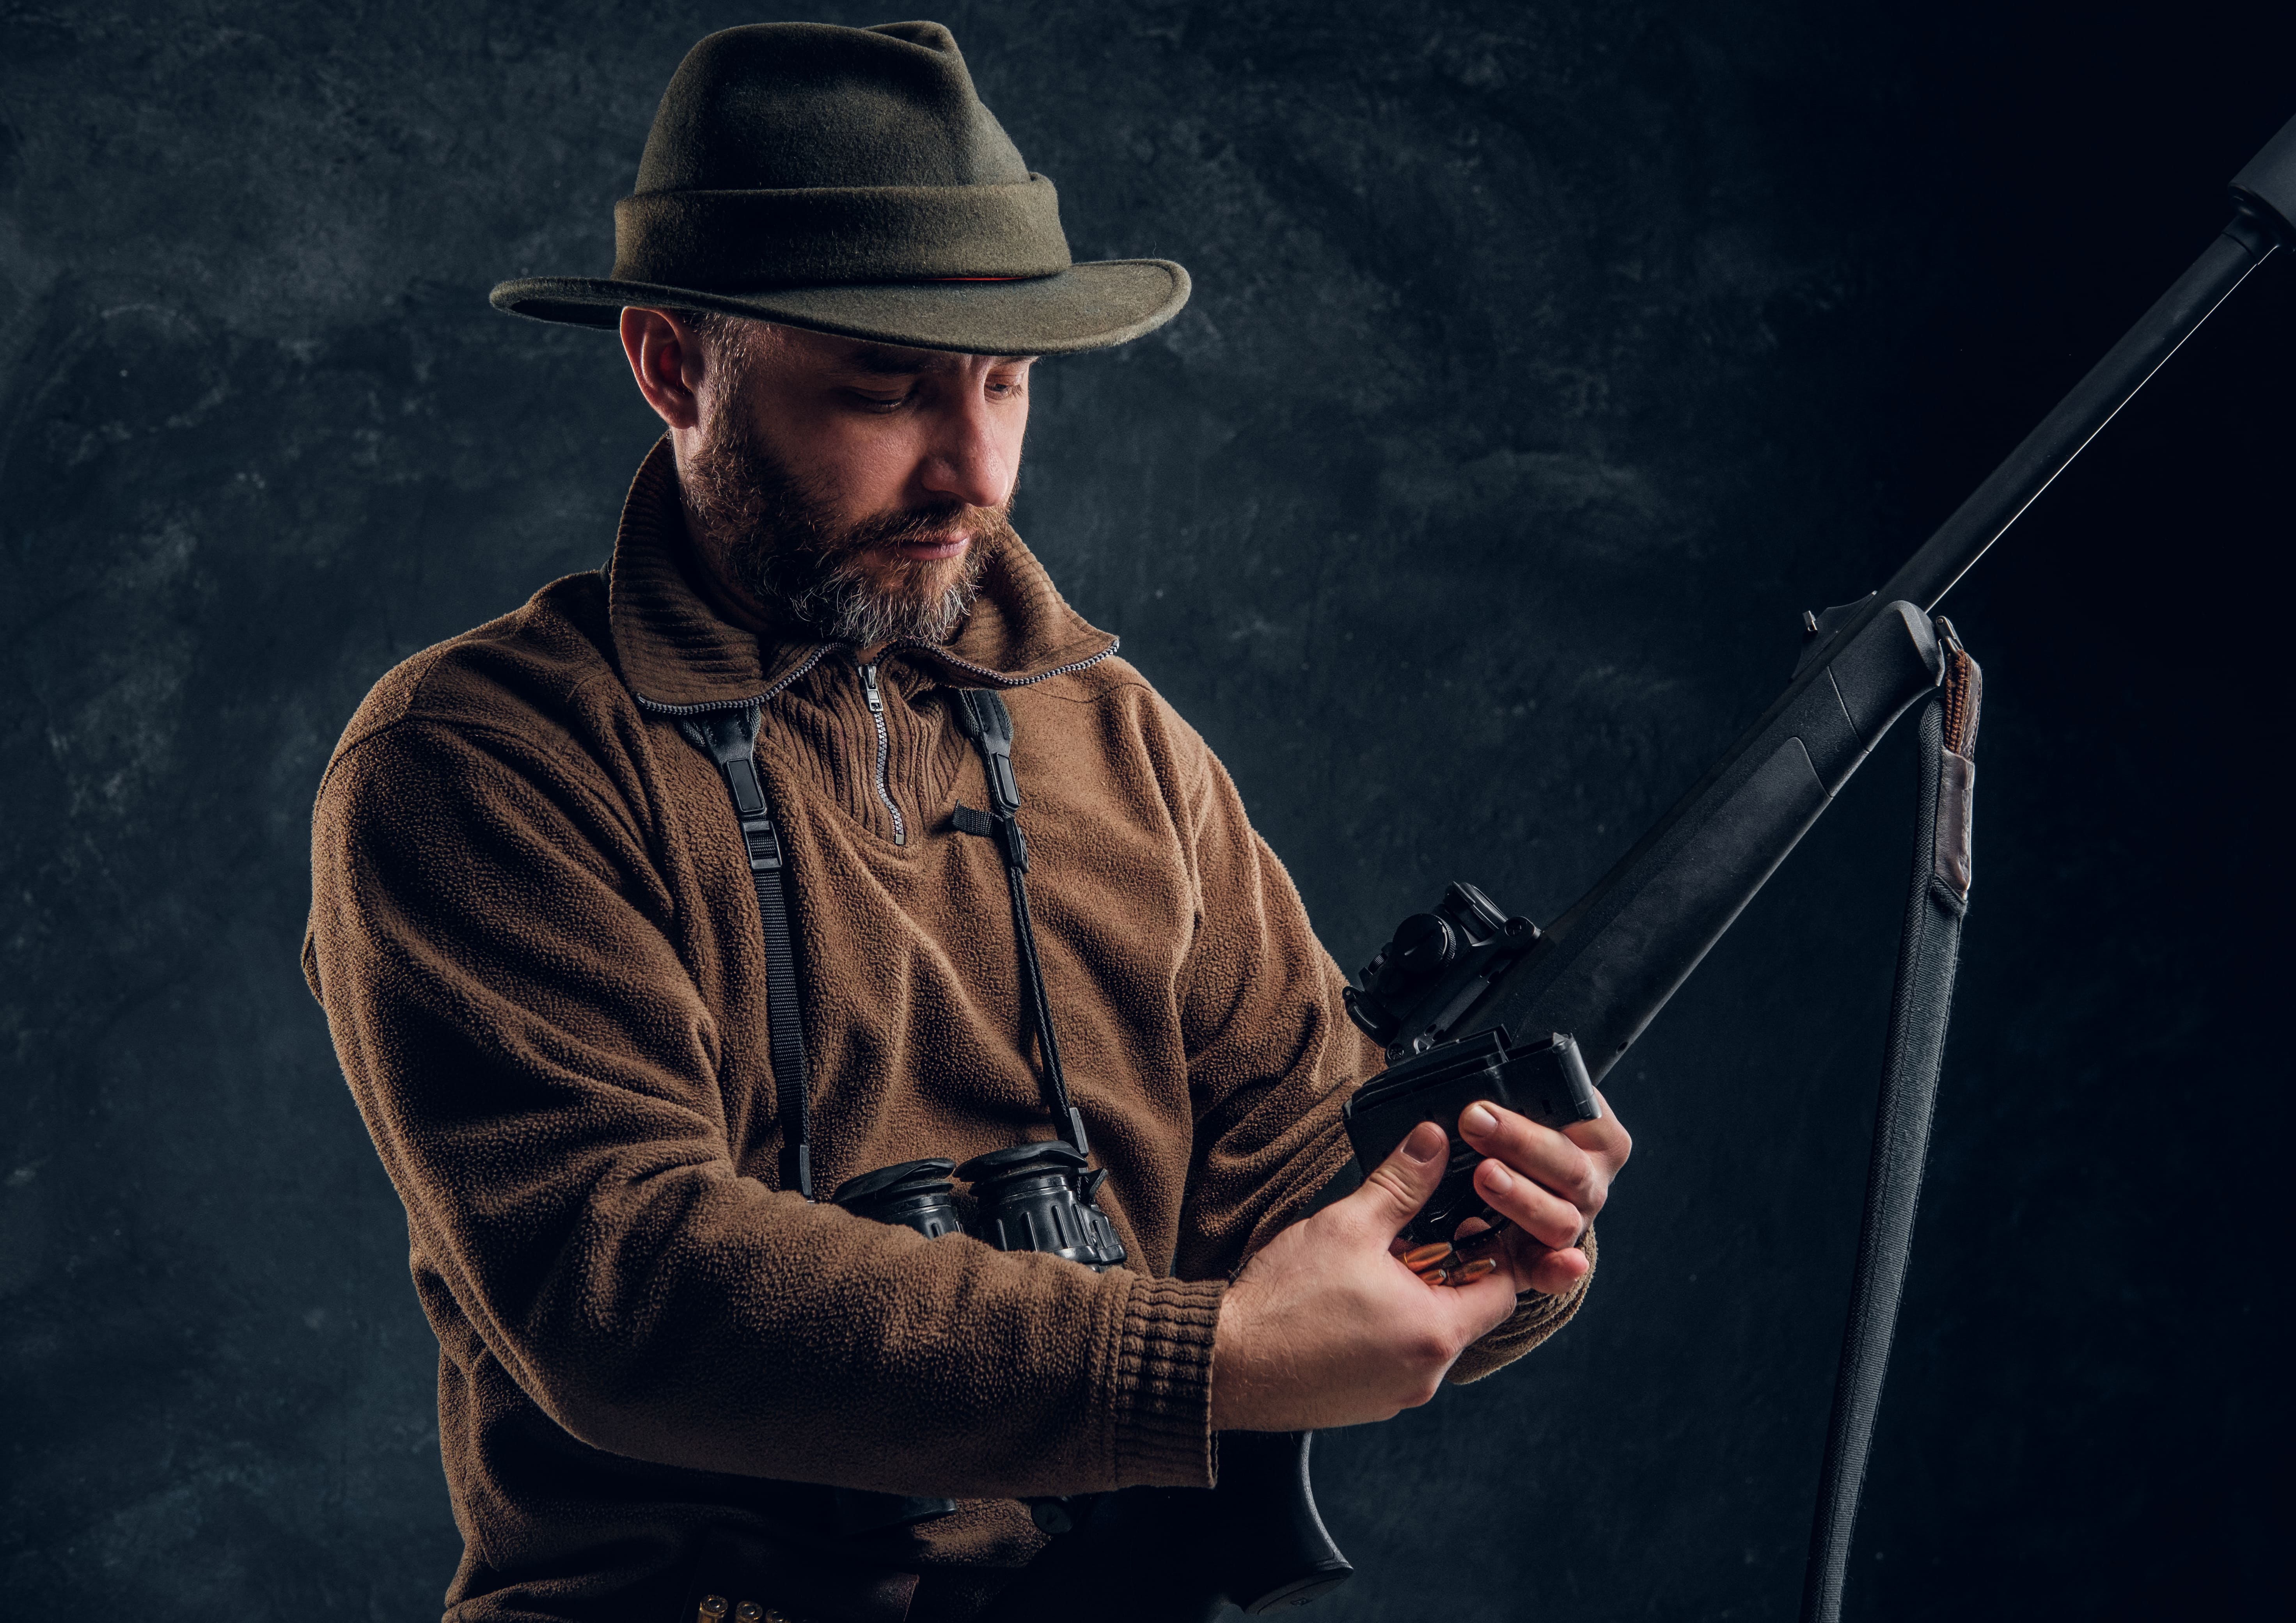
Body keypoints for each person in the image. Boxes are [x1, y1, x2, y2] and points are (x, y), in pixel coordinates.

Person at [305, 20, 1631, 1622]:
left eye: (1009, 383)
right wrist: (1199, 1358)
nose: (976, 469)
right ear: (673, 366)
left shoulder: (1124, 743)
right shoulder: (482, 762)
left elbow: (1298, 1191)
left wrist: (1486, 1238)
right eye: (887, 388)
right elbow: (626, 1285)